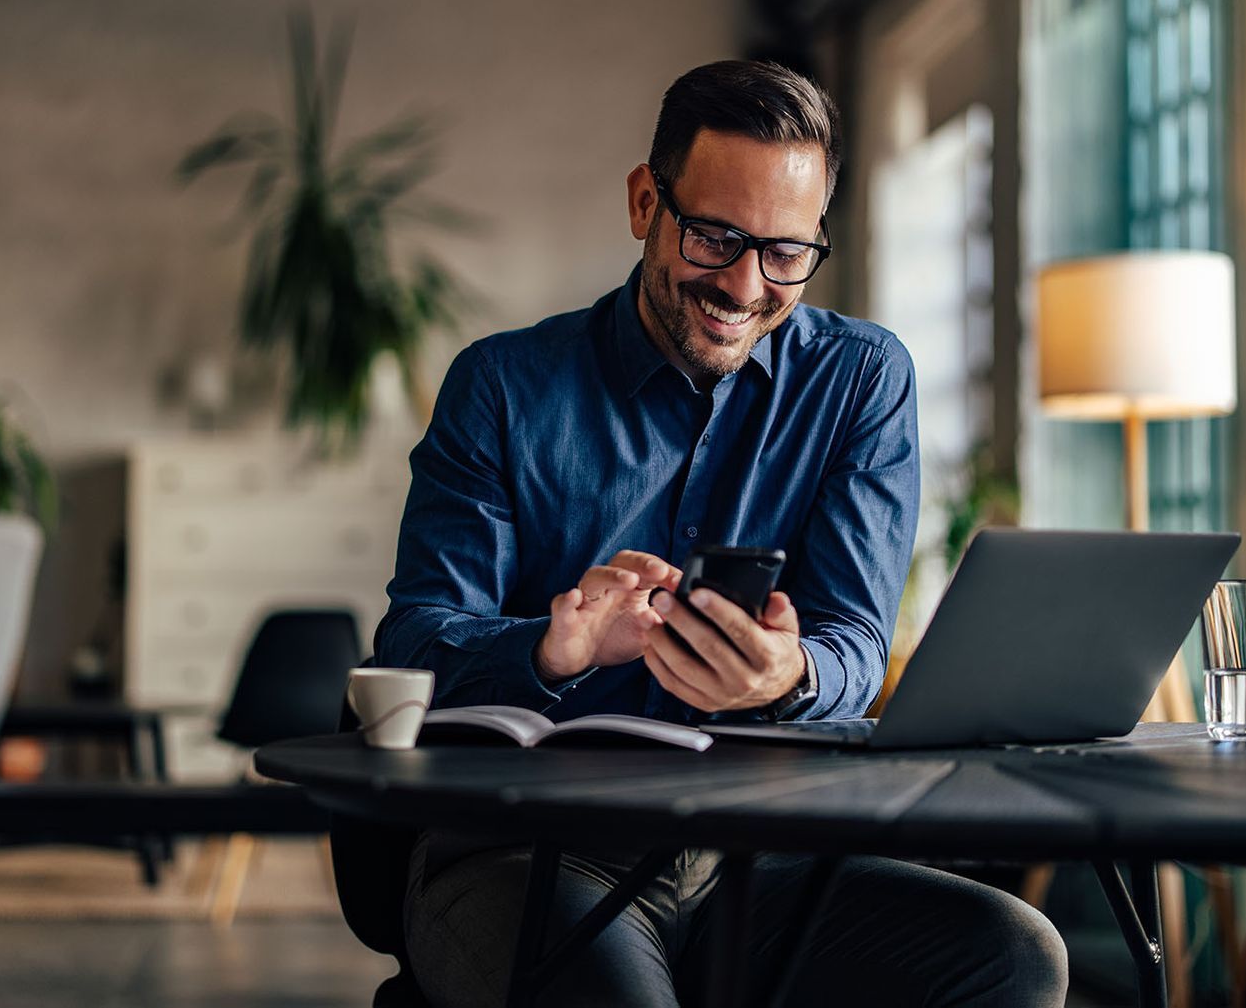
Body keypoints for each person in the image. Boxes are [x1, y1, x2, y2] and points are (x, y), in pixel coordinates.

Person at [374, 60, 1067, 1007]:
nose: (745, 284)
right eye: (714, 237)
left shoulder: (861, 383)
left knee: (1014, 952)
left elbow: (856, 642)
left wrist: (793, 676)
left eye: (786, 251)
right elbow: (414, 644)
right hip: (526, 850)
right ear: (643, 203)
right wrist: (553, 647)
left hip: (766, 856)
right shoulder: (501, 387)